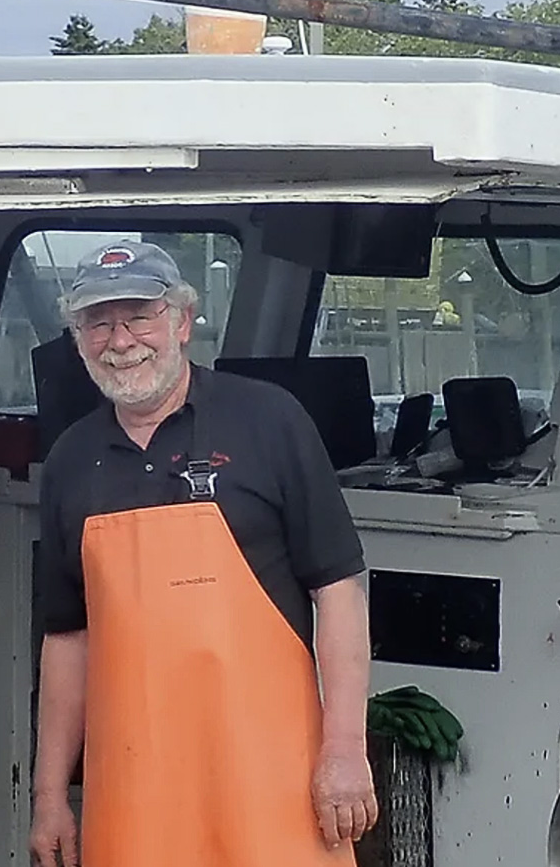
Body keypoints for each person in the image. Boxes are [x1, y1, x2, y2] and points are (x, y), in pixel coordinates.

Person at [29, 241, 378, 867]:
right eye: (98, 322)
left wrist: (345, 749)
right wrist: (50, 795)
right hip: (136, 796)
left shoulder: (270, 420)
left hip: (274, 782)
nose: (120, 340)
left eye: (140, 315)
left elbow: (340, 589)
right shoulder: (68, 462)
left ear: (183, 322)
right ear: (77, 339)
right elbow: (67, 639)